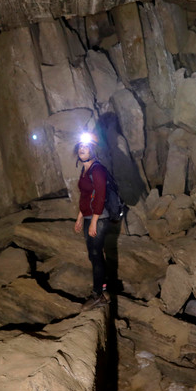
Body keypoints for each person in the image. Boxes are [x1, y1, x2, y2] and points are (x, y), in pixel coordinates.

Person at [73, 133, 110, 310]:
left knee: (95, 255)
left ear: (93, 150)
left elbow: (101, 196)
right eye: (80, 146)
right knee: (94, 255)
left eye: (86, 147)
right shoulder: (85, 170)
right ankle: (104, 289)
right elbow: (86, 196)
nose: (82, 149)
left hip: (99, 218)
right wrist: (80, 218)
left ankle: (98, 295)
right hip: (89, 217)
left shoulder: (97, 170)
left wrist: (94, 221)